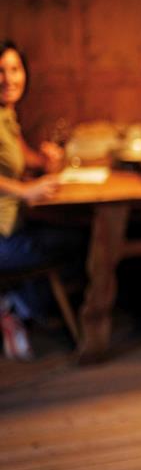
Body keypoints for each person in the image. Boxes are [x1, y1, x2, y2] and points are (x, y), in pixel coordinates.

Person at [0, 40, 78, 360]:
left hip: (14, 227)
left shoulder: (6, 114)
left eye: (15, 69)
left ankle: (21, 304)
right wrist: (24, 191)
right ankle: (14, 307)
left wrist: (46, 160)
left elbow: (23, 158)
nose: (9, 78)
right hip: (2, 238)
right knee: (80, 241)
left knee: (69, 235)